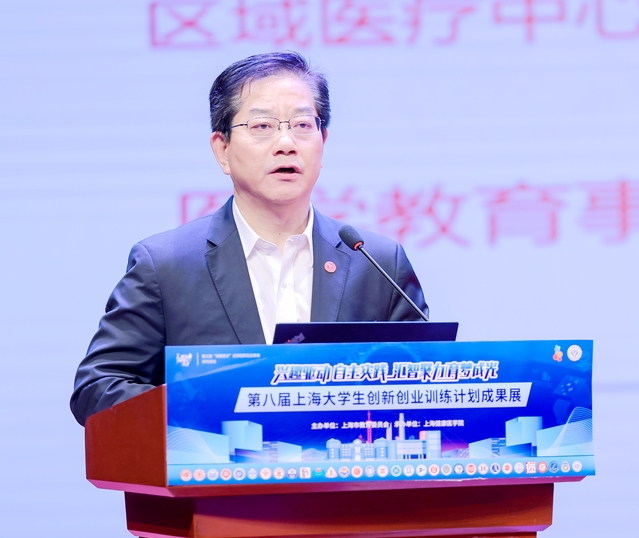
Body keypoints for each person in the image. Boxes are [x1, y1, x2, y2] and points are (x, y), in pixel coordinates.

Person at [70, 52, 428, 426]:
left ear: (323, 142)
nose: (286, 142)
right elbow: (97, 388)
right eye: (262, 126)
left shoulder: (377, 264)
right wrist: (206, 410)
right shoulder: (166, 266)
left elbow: (423, 383)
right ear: (222, 150)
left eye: (302, 125)